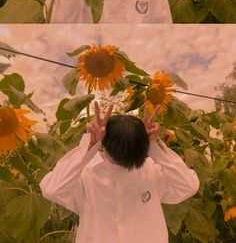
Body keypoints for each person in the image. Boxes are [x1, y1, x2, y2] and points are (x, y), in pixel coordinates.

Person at [40, 102, 199, 243]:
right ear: (104, 146)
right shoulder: (87, 176)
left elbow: (188, 185)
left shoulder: (150, 171)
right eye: (119, 154)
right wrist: (89, 144)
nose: (124, 165)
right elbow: (52, 189)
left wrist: (154, 145)